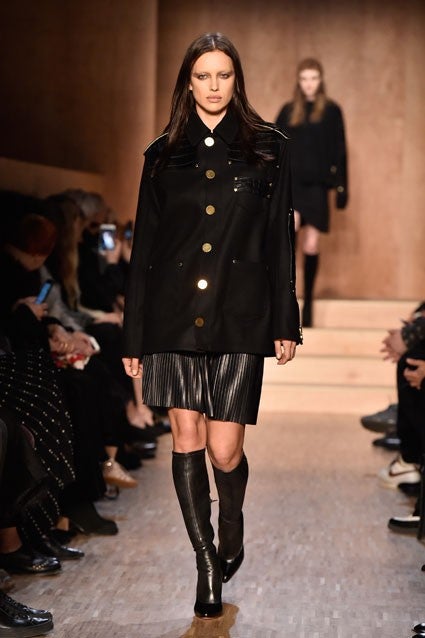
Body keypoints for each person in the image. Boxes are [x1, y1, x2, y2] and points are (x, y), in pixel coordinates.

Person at [122, 33, 301, 618]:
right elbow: (144, 251)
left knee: (225, 452)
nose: (214, 86)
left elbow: (279, 241)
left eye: (224, 75)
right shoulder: (162, 155)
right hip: (172, 318)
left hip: (239, 315)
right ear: (188, 82)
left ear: (237, 79)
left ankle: (232, 523)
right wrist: (134, 334)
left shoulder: (268, 148)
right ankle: (205, 566)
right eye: (203, 76)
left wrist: (286, 320)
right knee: (186, 437)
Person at [276, 58, 348, 327]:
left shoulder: (331, 111)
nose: (309, 84)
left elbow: (340, 149)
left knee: (311, 245)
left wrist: (342, 187)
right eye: (304, 78)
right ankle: (289, 298)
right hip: (293, 185)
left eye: (313, 78)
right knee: (290, 238)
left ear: (320, 80)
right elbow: (275, 147)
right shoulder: (288, 111)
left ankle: (308, 304)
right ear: (298, 81)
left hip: (317, 186)